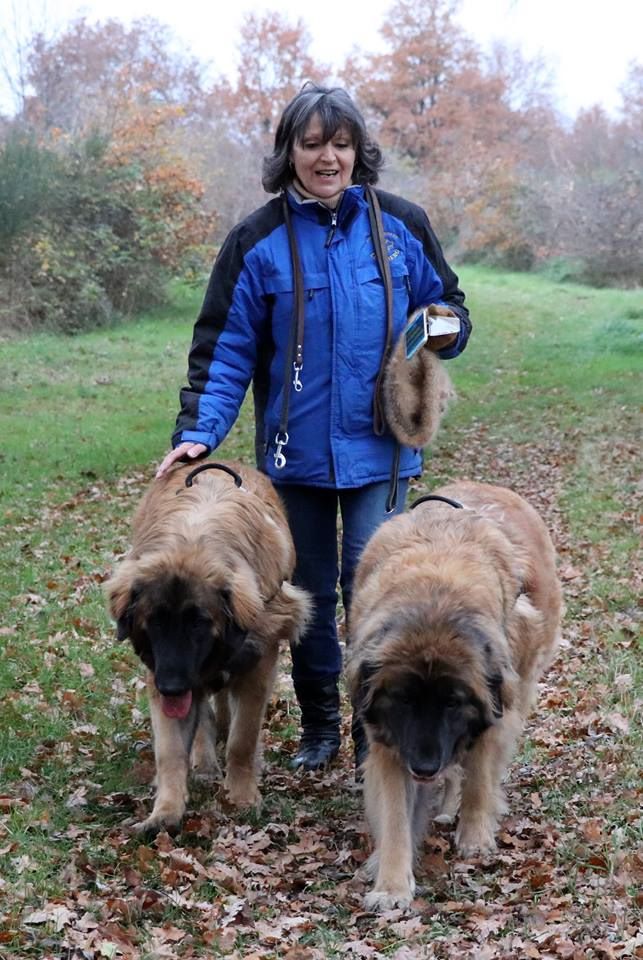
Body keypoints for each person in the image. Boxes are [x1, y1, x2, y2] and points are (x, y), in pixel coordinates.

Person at [156, 82, 471, 772]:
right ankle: (319, 726)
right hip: (291, 459)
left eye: (340, 142)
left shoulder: (402, 226)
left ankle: (371, 733)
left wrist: (432, 331)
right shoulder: (255, 241)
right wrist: (198, 433)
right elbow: (224, 347)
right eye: (311, 143)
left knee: (373, 595)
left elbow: (450, 308)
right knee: (308, 602)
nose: (326, 157)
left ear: (357, 150)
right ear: (288, 152)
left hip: (381, 455)